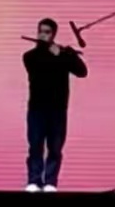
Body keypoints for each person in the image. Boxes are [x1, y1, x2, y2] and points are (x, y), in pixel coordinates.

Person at [22, 18, 88, 192]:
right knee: (35, 146)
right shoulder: (30, 56)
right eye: (40, 31)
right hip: (37, 109)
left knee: (55, 148)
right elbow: (42, 68)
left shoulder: (63, 54)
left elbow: (82, 72)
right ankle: (34, 181)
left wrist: (66, 55)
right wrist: (59, 56)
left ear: (53, 35)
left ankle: (50, 182)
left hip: (58, 109)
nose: (42, 35)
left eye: (47, 32)